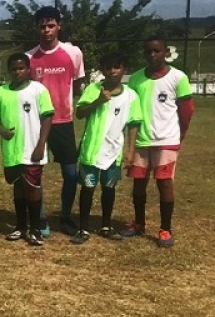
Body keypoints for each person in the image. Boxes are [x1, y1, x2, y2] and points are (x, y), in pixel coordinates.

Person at [121, 36, 194, 247]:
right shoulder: (135, 79)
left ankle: (165, 229)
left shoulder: (178, 78)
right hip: (142, 141)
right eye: (148, 52)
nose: (152, 55)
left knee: (164, 183)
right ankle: (139, 223)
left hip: (166, 140)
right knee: (138, 184)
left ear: (165, 52)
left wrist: (179, 135)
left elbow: (187, 111)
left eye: (156, 51)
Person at [27, 6, 85, 236]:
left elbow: (79, 85)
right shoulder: (30, 57)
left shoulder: (73, 53)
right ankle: (40, 219)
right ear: (36, 28)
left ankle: (66, 216)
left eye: (51, 25)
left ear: (59, 26)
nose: (46, 30)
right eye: (42, 26)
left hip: (63, 122)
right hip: (38, 124)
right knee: (35, 172)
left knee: (70, 173)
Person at [71, 52, 141, 244]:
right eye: (108, 67)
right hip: (92, 151)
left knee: (109, 189)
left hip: (113, 152)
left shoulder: (131, 96)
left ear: (124, 70)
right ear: (102, 70)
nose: (112, 71)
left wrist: (131, 150)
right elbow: (79, 113)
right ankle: (83, 228)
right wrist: (98, 101)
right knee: (88, 188)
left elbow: (134, 123)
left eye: (116, 67)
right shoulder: (94, 89)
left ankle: (106, 225)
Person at [0, 53, 54, 247]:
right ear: (9, 71)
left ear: (28, 69)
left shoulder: (38, 90)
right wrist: (2, 132)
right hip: (12, 151)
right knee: (18, 188)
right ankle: (20, 226)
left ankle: (35, 229)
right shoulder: (1, 92)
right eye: (13, 69)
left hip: (32, 149)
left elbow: (47, 118)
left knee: (32, 188)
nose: (17, 72)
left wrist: (41, 144)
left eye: (21, 68)